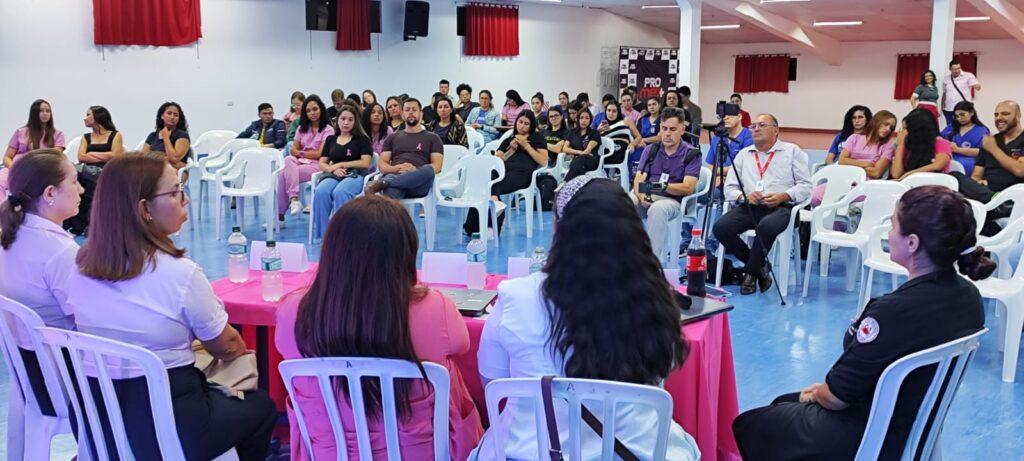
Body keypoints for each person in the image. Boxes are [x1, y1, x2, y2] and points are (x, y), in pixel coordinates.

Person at [733, 185, 992, 460]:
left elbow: (835, 398)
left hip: (873, 434)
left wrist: (819, 393)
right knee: (785, 404)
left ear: (912, 243)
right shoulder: (970, 298)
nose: (889, 234)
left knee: (751, 423)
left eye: (893, 226)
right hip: (917, 424)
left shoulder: (892, 312)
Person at [472, 176, 700, 461]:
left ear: (559, 230)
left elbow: (494, 384)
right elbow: (658, 378)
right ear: (631, 230)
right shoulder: (654, 300)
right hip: (639, 451)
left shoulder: (517, 297)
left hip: (529, 451)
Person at [66, 153, 276, 460]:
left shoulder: (79, 268)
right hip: (172, 426)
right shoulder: (179, 273)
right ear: (144, 209)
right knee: (261, 408)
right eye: (175, 192)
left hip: (99, 420)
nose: (186, 199)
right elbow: (228, 347)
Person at [277, 195, 483, 460]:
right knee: (446, 369)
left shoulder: (293, 311)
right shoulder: (435, 307)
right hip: (421, 453)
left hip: (327, 452)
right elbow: (462, 344)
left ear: (333, 251)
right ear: (405, 252)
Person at [0, 150, 82, 417]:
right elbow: (85, 319)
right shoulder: (58, 250)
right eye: (74, 181)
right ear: (50, 194)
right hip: (66, 380)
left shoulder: (10, 236)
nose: (81, 189)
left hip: (31, 372)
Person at [713, 114, 812, 295]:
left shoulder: (792, 151)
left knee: (765, 227)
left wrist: (784, 195)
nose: (756, 129)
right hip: (751, 206)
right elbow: (730, 188)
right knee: (721, 227)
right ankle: (760, 266)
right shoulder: (744, 154)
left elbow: (806, 187)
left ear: (776, 130)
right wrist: (745, 197)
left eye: (762, 125)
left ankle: (750, 274)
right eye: (753, 126)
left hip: (783, 208)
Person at [630, 107, 702, 261]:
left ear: (682, 130)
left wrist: (660, 187)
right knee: (624, 202)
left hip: (673, 201)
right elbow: (638, 180)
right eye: (664, 129)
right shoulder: (651, 150)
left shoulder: (692, 154)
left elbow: (687, 188)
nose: (667, 133)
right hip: (647, 193)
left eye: (673, 129)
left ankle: (651, 264)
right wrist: (643, 196)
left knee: (658, 209)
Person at [463, 111, 547, 237]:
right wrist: (511, 151)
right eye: (520, 122)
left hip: (522, 174)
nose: (522, 126)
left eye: (526, 123)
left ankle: (486, 226)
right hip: (504, 171)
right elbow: (497, 160)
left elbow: (543, 161)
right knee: (488, 178)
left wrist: (526, 147)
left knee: (488, 187)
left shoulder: (536, 138)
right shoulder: (508, 139)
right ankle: (493, 206)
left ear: (531, 126)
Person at [809, 110, 899, 206]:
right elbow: (842, 160)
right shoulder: (854, 138)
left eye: (891, 127)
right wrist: (865, 164)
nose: (888, 129)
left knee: (840, 202)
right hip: (843, 179)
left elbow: (876, 173)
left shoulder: (887, 146)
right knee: (814, 197)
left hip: (863, 184)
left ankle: (838, 219)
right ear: (876, 122)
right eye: (886, 124)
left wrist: (851, 164)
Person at [312, 105, 374, 240]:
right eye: (343, 119)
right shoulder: (330, 140)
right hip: (334, 174)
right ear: (337, 120)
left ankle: (345, 235)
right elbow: (322, 163)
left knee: (340, 192)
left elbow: (365, 162)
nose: (346, 123)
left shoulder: (362, 139)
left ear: (355, 121)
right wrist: (332, 168)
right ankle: (325, 235)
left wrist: (342, 164)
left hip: (355, 174)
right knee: (321, 191)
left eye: (350, 120)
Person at [365, 99, 444, 200]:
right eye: (407, 110)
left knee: (428, 170)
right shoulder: (392, 137)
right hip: (395, 175)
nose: (410, 112)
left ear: (421, 114)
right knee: (390, 198)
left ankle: (385, 183)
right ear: (402, 114)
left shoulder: (433, 138)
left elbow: (437, 166)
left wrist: (414, 171)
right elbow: (382, 164)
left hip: (418, 183)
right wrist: (396, 169)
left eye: (414, 109)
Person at [954, 101, 1024, 205]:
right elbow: (976, 175)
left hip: (1014, 194)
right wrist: (978, 182)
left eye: (1005, 114)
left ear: (1018, 115)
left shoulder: (991, 144)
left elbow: (1020, 170)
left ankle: (1000, 203)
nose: (999, 118)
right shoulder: (990, 140)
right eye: (996, 115)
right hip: (988, 192)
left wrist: (994, 149)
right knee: (954, 177)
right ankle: (994, 200)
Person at [66, 106, 123, 235]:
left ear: (98, 116)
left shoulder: (115, 135)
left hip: (108, 171)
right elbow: (81, 157)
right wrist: (104, 154)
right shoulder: (86, 137)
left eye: (88, 115)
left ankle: (90, 224)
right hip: (87, 171)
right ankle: (80, 224)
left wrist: (91, 153)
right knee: (80, 179)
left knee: (94, 181)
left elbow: (116, 156)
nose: (85, 118)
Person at [280, 95, 335, 221]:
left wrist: (301, 153)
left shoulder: (328, 130)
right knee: (288, 159)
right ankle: (294, 199)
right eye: (308, 111)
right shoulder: (301, 128)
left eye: (315, 109)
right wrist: (301, 153)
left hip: (317, 165)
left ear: (321, 109)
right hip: (298, 162)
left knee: (282, 176)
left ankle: (280, 217)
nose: (312, 113)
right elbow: (292, 151)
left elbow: (320, 154)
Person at [2, 100, 67, 201]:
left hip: (42, 172)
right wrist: (15, 169)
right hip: (16, 169)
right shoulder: (21, 132)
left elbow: (55, 157)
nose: (45, 113)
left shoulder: (58, 135)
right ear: (34, 113)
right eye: (41, 111)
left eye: (48, 111)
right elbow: (7, 157)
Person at [890, 108, 952, 180]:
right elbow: (896, 174)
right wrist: (900, 145)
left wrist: (909, 174)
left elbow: (938, 165)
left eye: (906, 128)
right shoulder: (908, 145)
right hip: (909, 185)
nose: (902, 132)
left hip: (934, 185)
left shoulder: (941, 143)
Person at [940, 101, 989, 174]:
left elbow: (982, 152)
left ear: (972, 113)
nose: (959, 118)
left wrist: (958, 150)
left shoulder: (982, 131)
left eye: (962, 115)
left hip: (969, 166)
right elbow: (939, 139)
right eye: (957, 116)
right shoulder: (951, 127)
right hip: (948, 162)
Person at [142, 102, 191, 170]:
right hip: (153, 169)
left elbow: (174, 159)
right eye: (169, 113)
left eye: (176, 115)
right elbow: (143, 159)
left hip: (175, 172)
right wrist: (163, 159)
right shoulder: (152, 136)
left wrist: (166, 137)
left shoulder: (182, 135)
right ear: (162, 116)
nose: (172, 117)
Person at [562, 108, 603, 182]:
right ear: (577, 119)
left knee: (580, 159)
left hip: (591, 160)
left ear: (590, 120)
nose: (584, 120)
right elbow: (565, 148)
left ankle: (566, 183)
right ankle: (576, 186)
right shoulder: (572, 132)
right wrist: (579, 152)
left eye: (587, 118)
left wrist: (578, 153)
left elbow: (588, 150)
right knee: (578, 164)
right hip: (577, 161)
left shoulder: (594, 133)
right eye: (581, 118)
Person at [942, 59, 981, 128]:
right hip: (949, 109)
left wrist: (977, 86)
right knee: (950, 129)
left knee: (964, 127)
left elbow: (977, 86)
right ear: (950, 69)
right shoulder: (946, 79)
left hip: (963, 108)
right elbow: (945, 93)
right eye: (954, 69)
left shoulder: (968, 76)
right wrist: (942, 107)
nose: (957, 71)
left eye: (958, 68)